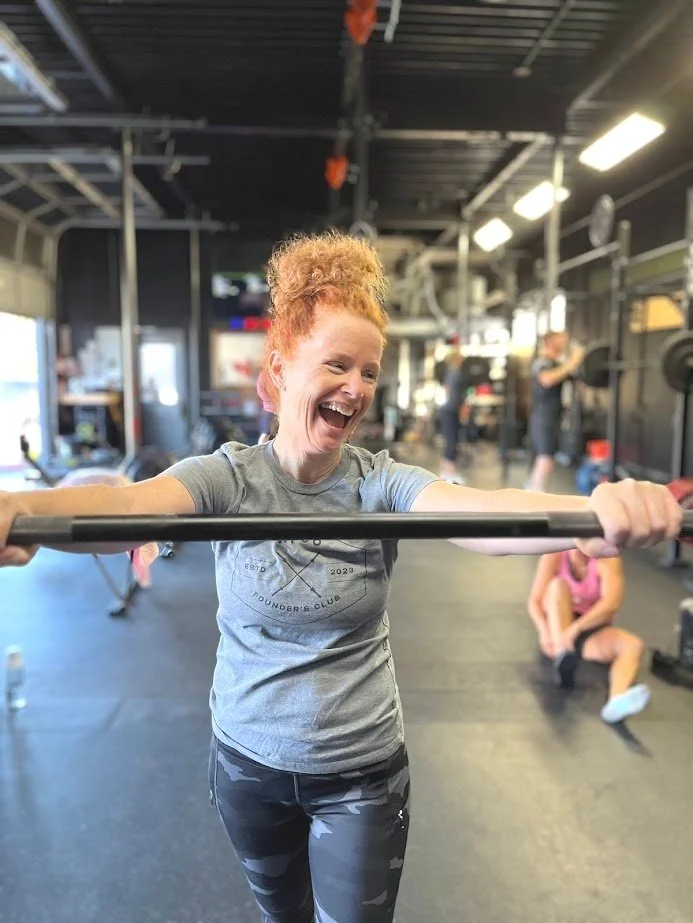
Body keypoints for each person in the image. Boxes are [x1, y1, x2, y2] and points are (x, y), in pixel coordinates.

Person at [0, 231, 682, 923]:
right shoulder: (226, 478)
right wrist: (22, 506)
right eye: (336, 365)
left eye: (368, 372)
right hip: (247, 768)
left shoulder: (378, 482)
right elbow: (128, 505)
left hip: (359, 773)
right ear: (279, 372)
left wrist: (592, 513)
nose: (355, 389)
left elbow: (480, 511)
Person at [527, 548, 650, 723]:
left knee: (633, 645)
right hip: (558, 630)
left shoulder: (607, 558)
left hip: (589, 628)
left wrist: (576, 629)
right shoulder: (554, 555)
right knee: (557, 587)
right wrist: (544, 632)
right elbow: (535, 601)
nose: (580, 551)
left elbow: (611, 604)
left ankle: (616, 700)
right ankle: (562, 654)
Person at [527, 330, 585, 492]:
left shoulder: (558, 364)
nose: (565, 344)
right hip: (542, 417)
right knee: (545, 458)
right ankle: (537, 498)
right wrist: (573, 361)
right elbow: (547, 380)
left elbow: (579, 383)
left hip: (553, 417)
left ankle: (535, 491)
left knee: (547, 458)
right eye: (561, 341)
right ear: (551, 342)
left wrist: (573, 365)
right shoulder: (542, 363)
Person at [438, 348, 468, 484]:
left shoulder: (452, 374)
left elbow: (448, 390)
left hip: (451, 410)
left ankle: (448, 472)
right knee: (452, 441)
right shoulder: (454, 373)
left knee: (452, 441)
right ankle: (448, 473)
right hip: (451, 410)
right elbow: (452, 392)